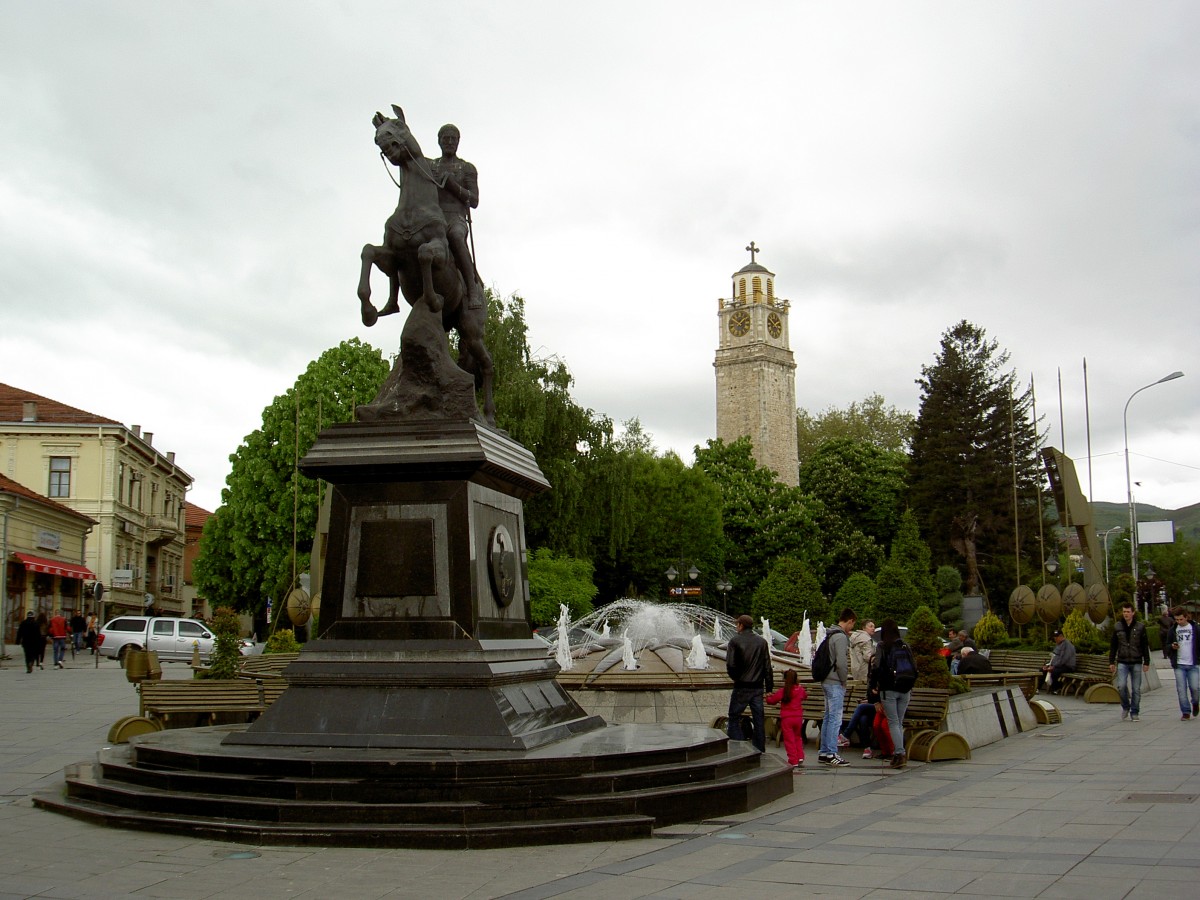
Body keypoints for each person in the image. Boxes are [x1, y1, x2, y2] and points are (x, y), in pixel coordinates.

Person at [430, 124, 484, 310]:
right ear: (439, 141)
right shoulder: (431, 166)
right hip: (433, 217)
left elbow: (474, 200)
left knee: (455, 237)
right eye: (446, 138)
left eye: (453, 139)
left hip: (456, 218)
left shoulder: (467, 168)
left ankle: (472, 288)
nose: (450, 142)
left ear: (458, 142)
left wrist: (453, 186)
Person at [869, 618, 915, 769]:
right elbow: (914, 668)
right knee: (898, 723)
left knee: (893, 722)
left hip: (889, 689)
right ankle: (898, 752)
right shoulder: (905, 645)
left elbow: (876, 668)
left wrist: (873, 689)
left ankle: (899, 754)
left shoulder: (883, 646)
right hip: (905, 689)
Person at [725, 614, 774, 752]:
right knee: (759, 719)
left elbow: (730, 665)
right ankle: (759, 749)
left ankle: (738, 746)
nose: (736, 626)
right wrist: (769, 687)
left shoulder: (735, 641)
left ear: (741, 625)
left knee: (734, 717)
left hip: (741, 687)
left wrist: (737, 679)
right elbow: (767, 666)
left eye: (737, 624)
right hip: (758, 687)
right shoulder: (762, 642)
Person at [818, 608, 855, 767]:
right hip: (835, 683)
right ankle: (832, 752)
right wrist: (843, 680)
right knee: (835, 718)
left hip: (826, 680)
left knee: (828, 716)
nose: (852, 628)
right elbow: (841, 663)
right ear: (849, 621)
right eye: (852, 624)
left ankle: (824, 752)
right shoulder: (840, 637)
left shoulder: (829, 634)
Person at [1108, 602, 1150, 720]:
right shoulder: (1118, 626)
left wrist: (1146, 662)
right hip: (1123, 661)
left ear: (1133, 613)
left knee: (1136, 689)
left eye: (1128, 612)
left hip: (1136, 660)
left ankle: (1135, 711)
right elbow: (1113, 645)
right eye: (1124, 612)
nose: (1126, 614)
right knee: (1121, 686)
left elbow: (1144, 645)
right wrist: (1111, 661)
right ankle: (1125, 706)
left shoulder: (1140, 627)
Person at [764, 669, 807, 768]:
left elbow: (772, 701)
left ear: (784, 679)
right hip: (798, 718)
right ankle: (800, 756)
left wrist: (767, 697)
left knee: (789, 740)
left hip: (787, 718)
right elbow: (805, 696)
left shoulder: (783, 691)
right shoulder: (800, 690)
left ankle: (793, 760)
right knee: (797, 737)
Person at [1165, 606, 1198, 721]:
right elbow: (1167, 645)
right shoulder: (1173, 630)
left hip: (1193, 664)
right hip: (1179, 664)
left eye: (1181, 619)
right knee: (1181, 689)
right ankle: (1185, 712)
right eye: (1177, 620)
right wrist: (1172, 647)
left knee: (1195, 688)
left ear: (1186, 617)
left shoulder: (1195, 628)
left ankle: (1195, 702)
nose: (1179, 622)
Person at [1042, 629, 1077, 695]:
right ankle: (1037, 688)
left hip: (1068, 666)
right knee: (1042, 670)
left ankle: (1056, 688)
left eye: (1056, 637)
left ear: (1061, 636)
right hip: (1058, 665)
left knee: (1055, 671)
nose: (1055, 638)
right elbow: (1054, 657)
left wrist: (1053, 666)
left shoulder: (1067, 645)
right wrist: (1048, 665)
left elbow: (1064, 659)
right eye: (1054, 636)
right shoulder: (1058, 645)